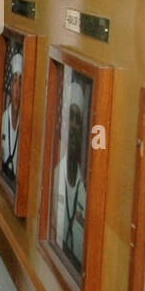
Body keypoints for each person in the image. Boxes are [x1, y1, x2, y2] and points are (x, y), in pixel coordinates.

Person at [50, 78, 88, 270]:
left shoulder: (86, 192)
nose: (73, 126)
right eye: (70, 118)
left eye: (78, 119)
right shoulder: (53, 178)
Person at [0, 48, 22, 182]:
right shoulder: (3, 118)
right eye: (14, 81)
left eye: (21, 82)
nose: (17, 88)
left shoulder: (24, 122)